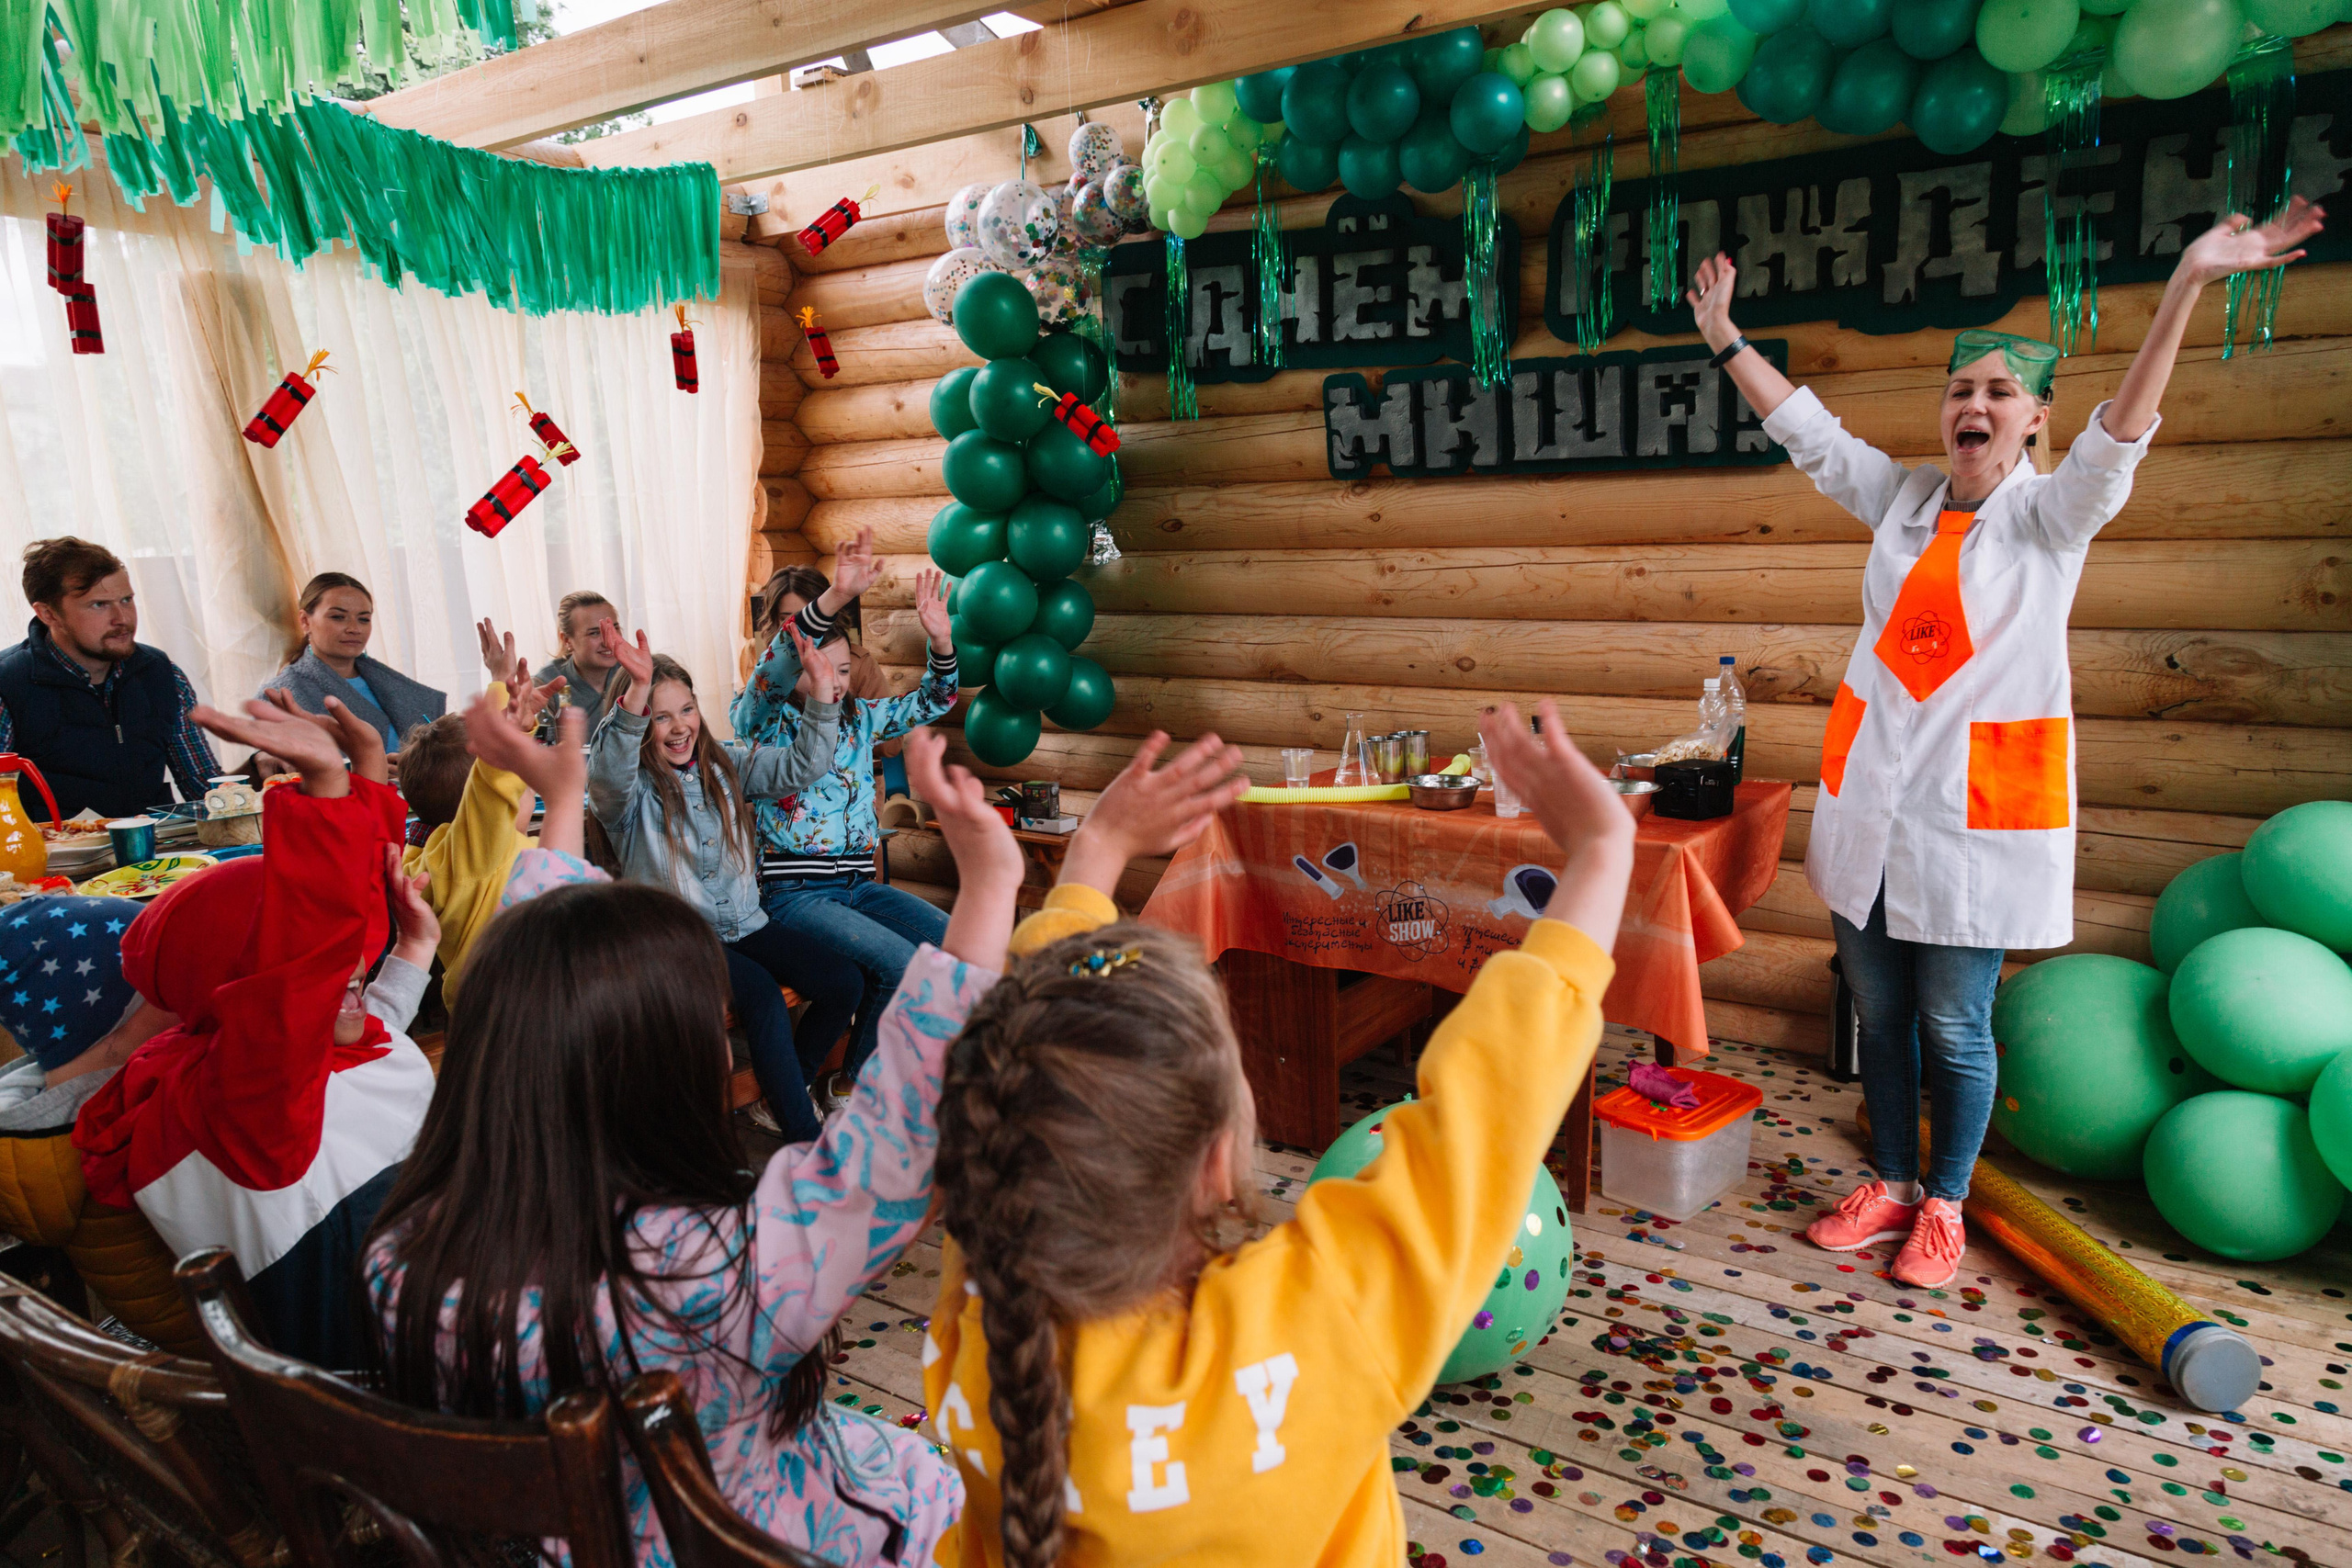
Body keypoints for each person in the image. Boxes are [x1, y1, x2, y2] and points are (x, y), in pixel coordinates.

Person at [1683, 195, 2329, 1289]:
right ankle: (1888, 1179)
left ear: (2034, 421)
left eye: (1998, 393)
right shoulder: (1901, 499)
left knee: (1954, 1021)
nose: (1972, 406)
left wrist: (2185, 284)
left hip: (1974, 819)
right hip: (1874, 801)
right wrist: (1726, 342)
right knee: (1878, 1010)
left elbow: (2122, 431)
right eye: (1959, 390)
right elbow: (1810, 435)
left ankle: (1943, 1204)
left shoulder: (2048, 518)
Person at [920, 703, 1630, 1568]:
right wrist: (1601, 850)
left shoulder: (980, 1289)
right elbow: (1488, 1110)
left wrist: (1092, 859)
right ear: (1218, 1157)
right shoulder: (1310, 1324)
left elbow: (1026, 1061)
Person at [364, 716, 1008, 1568]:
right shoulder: (718, 1272)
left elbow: (541, 978)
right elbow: (894, 1137)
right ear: (662, 1071)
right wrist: (992, 882)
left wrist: (560, 799)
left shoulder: (403, 1249)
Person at [71, 694, 438, 1369]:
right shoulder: (242, 1098)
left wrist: (365, 777)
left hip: (443, 1296)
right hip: (393, 1380)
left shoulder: (284, 1061)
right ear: (250, 991)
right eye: (319, 954)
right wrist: (326, 789)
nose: (352, 959)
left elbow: (348, 950)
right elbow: (309, 957)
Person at [589, 623, 854, 1142]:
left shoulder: (726, 763)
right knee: (762, 997)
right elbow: (605, 775)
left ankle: (784, 1096)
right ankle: (803, 1138)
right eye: (659, 716)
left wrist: (823, 694)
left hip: (743, 924)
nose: (678, 726)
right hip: (680, 939)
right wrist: (636, 691)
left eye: (686, 709)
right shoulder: (629, 794)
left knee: (843, 980)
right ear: (640, 723)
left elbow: (803, 764)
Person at [732, 530, 959, 1103]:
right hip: (795, 893)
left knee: (947, 943)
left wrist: (942, 642)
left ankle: (847, 1082)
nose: (830, 681)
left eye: (838, 669)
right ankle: (828, 1090)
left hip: (858, 883)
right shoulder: (762, 720)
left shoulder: (861, 716)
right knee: (899, 963)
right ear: (794, 673)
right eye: (816, 670)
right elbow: (777, 667)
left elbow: (934, 700)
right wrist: (832, 596)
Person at [0, 894, 202, 1354]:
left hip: (165, 1324)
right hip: (231, 1327)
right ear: (129, 1008)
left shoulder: (44, 1106)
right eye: (166, 973)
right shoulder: (129, 1111)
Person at [0, 537, 220, 820]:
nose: (122, 618)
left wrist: (260, 770)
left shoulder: (163, 673)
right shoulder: (7, 685)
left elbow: (204, 788)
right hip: (57, 860)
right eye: (99, 605)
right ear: (48, 613)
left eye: (126, 600)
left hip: (158, 854)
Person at [397, 649, 562, 998]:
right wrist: (509, 724)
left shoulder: (430, 854)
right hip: (516, 1003)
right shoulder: (479, 853)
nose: (527, 793)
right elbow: (489, 778)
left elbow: (485, 781)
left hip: (481, 1004)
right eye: (523, 787)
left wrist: (502, 685)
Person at [257, 573, 446, 761]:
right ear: (305, 621)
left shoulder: (392, 686)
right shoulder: (280, 695)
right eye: (338, 617)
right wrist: (371, 773)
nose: (354, 628)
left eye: (364, 619)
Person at [749, 565, 892, 703]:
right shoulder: (767, 673)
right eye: (786, 619)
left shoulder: (860, 664)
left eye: (809, 616)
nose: (800, 627)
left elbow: (886, 720)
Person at [529, 592, 625, 735]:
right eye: (595, 633)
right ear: (567, 640)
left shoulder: (635, 674)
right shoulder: (546, 685)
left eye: (613, 629)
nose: (608, 641)